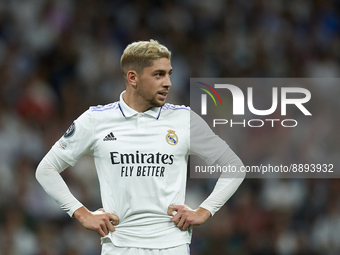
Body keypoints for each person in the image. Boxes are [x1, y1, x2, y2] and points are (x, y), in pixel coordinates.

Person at [36, 39, 245, 255]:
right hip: (119, 247)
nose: (168, 83)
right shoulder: (96, 119)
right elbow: (46, 170)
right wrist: (81, 213)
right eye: (158, 75)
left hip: (172, 246)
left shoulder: (184, 119)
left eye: (169, 74)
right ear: (133, 78)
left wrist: (204, 211)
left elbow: (235, 167)